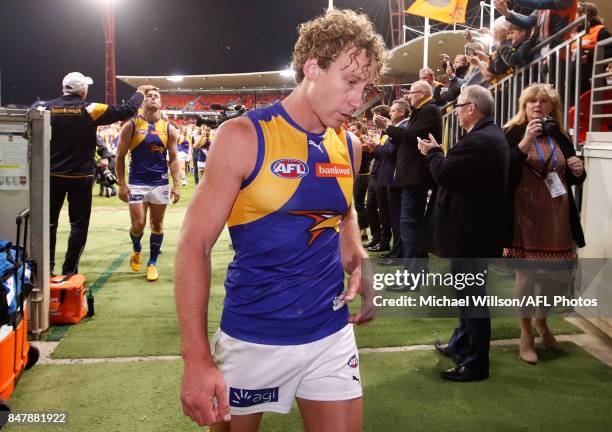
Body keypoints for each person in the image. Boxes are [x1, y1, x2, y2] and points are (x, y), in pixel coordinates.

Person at [175, 8, 384, 431]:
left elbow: (343, 215)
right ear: (313, 68)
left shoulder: (350, 146)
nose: (358, 100)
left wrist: (359, 260)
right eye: (350, 82)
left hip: (330, 332)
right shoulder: (243, 137)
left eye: (366, 87)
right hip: (252, 336)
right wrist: (196, 357)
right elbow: (193, 245)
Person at [418, 85, 510, 381]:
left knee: (472, 297)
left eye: (459, 105)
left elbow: (445, 173)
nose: (455, 110)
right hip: (474, 229)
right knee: (468, 295)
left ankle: (475, 363)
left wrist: (432, 154)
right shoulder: (486, 136)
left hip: (472, 232)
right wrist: (439, 155)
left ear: (472, 108)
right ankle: (462, 344)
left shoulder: (481, 139)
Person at [36, 72, 151, 276]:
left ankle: (47, 269)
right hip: (80, 177)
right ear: (83, 90)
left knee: (48, 224)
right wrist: (139, 93)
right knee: (78, 226)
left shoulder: (45, 107)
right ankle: (70, 271)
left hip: (51, 176)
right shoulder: (90, 109)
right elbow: (126, 110)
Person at [503, 84, 586, 364]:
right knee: (525, 277)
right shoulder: (513, 132)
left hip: (557, 213)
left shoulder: (561, 135)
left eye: (543, 102)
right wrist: (524, 142)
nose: (537, 105)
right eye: (532, 101)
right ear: (524, 105)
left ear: (552, 108)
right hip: (524, 212)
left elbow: (570, 176)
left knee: (560, 277)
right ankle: (525, 334)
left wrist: (578, 170)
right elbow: (504, 172)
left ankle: (541, 320)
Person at [373, 81, 442, 285]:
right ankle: (416, 274)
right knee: (411, 225)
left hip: (415, 177)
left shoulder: (429, 110)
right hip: (412, 177)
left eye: (410, 93)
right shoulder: (423, 110)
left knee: (409, 225)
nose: (408, 97)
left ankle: (412, 277)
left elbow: (411, 137)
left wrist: (388, 127)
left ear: (421, 93)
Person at [116, 87, 181, 282]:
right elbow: (119, 157)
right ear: (142, 102)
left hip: (159, 183)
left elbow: (174, 159)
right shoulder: (131, 125)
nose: (153, 98)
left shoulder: (169, 129)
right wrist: (121, 184)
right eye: (149, 96)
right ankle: (137, 249)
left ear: (160, 103)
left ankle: (152, 263)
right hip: (137, 182)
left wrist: (176, 185)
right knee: (138, 224)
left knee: (157, 223)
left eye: (156, 96)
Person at [350, 121, 373, 242]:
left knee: (359, 205)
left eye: (354, 129)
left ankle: (361, 231)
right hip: (367, 175)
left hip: (360, 176)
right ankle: (363, 231)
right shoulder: (368, 140)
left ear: (360, 130)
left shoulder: (357, 142)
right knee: (364, 206)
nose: (351, 132)